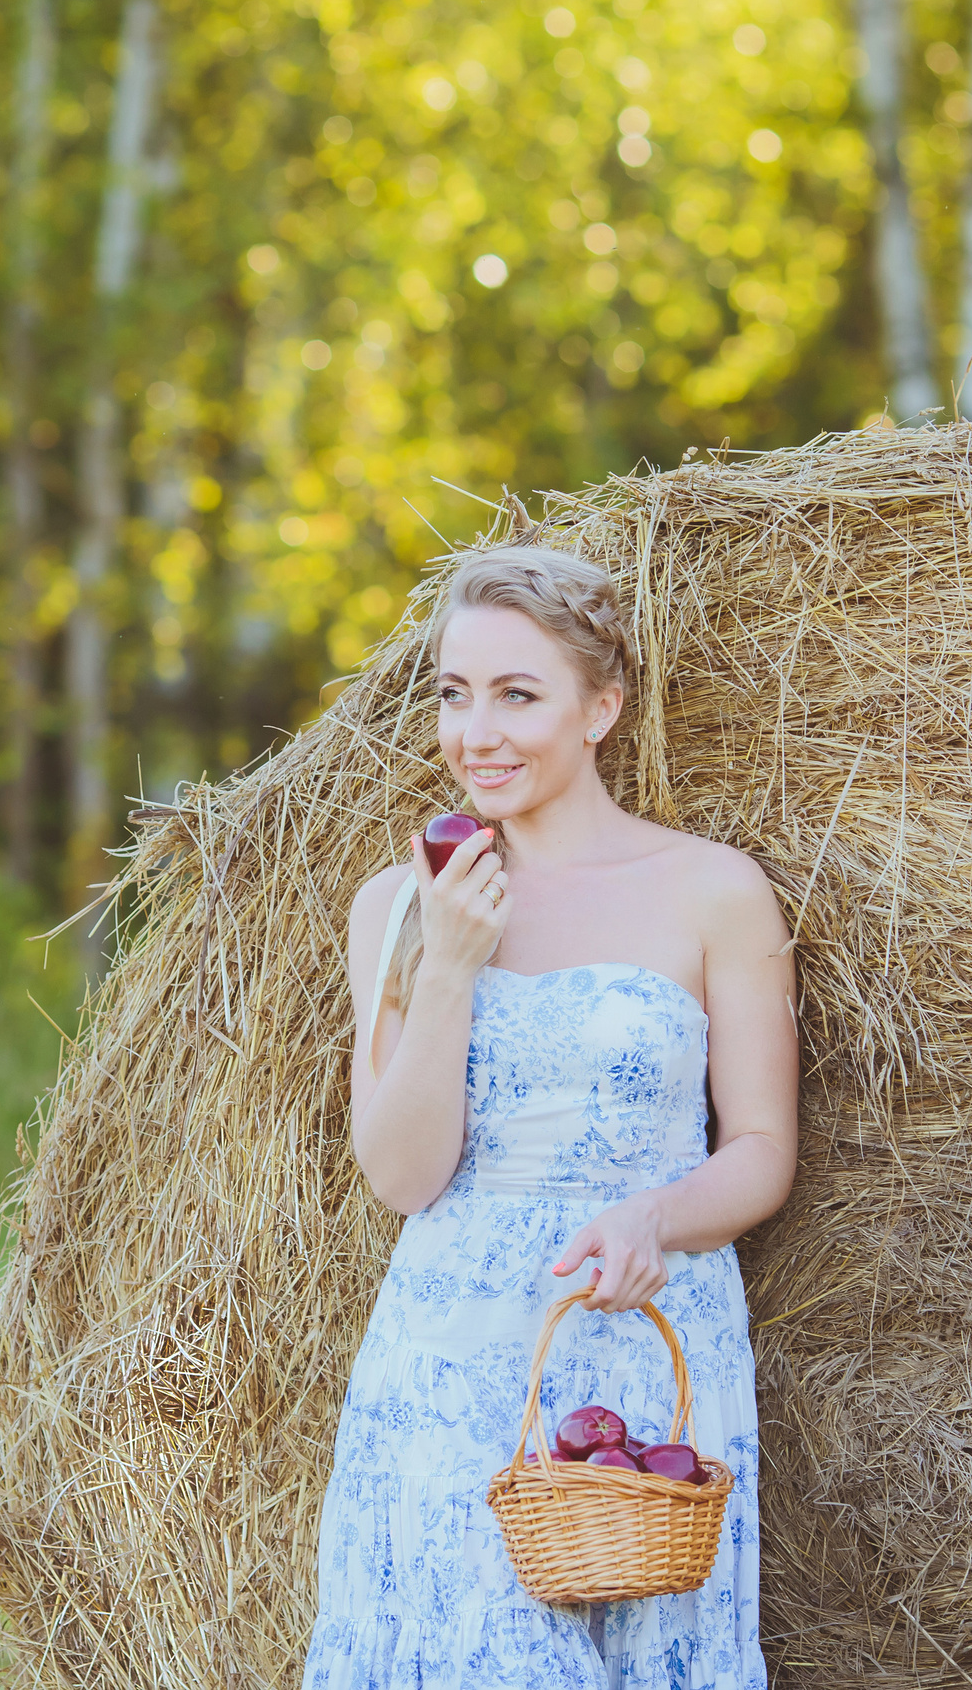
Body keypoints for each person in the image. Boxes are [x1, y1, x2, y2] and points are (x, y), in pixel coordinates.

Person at [302, 545, 799, 1688]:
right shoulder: (397, 906)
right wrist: (447, 967)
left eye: (517, 695)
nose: (476, 732)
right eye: (452, 693)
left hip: (645, 1335)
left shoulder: (713, 891)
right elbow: (402, 1177)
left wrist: (655, 1221)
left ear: (601, 708)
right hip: (453, 1350)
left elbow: (764, 1152)